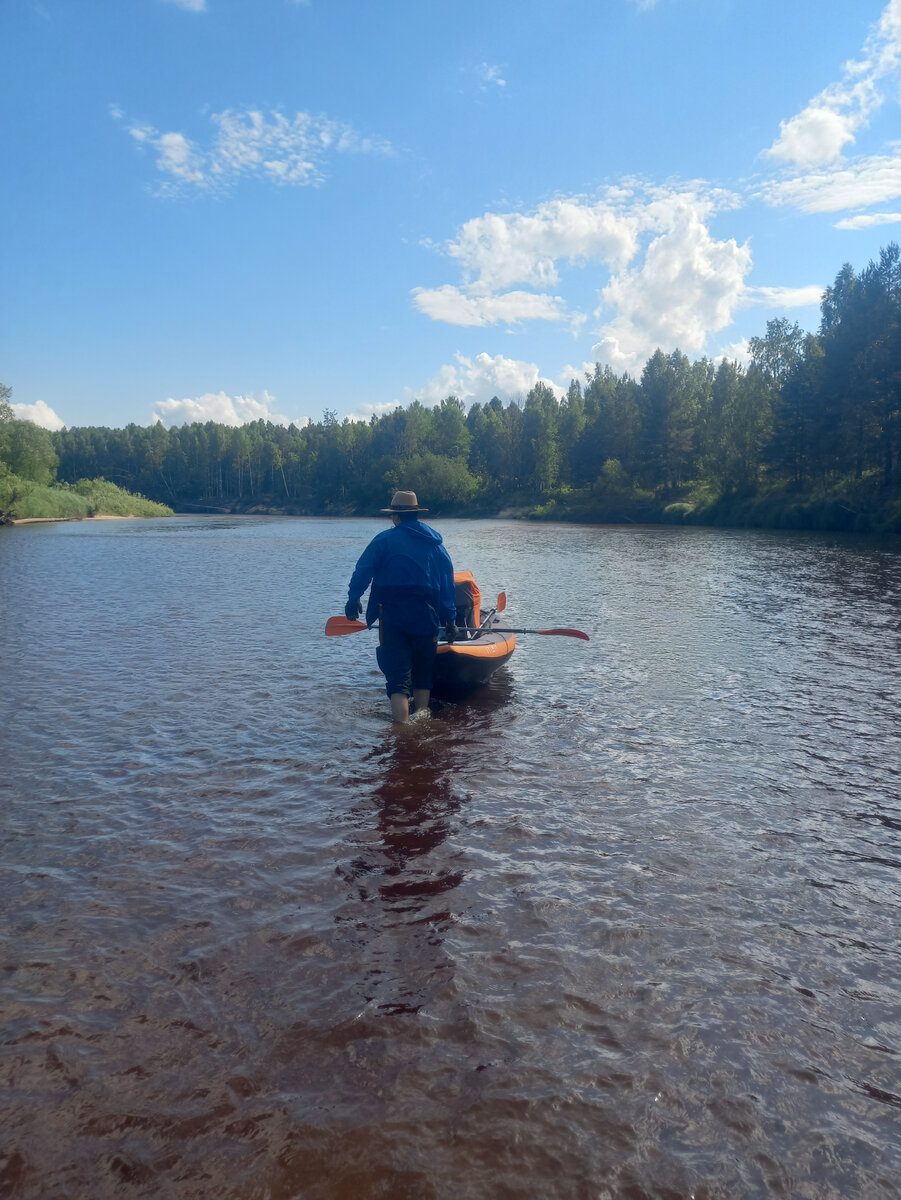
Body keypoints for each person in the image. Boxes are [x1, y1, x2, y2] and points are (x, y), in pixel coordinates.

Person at [346, 490, 458, 723]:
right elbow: (447, 583)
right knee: (422, 673)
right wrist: (450, 619)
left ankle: (402, 730)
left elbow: (363, 569)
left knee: (397, 678)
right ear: (416, 514)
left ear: (396, 516)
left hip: (393, 615)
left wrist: (354, 597)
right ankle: (422, 722)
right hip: (427, 616)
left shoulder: (383, 541)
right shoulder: (436, 546)